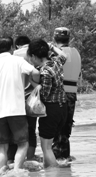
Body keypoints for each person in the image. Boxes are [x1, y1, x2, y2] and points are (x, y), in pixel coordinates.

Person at [0, 37, 40, 171]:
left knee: (2, 148)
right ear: (12, 48)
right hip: (16, 111)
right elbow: (35, 71)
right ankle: (17, 171)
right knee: (23, 143)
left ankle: (3, 171)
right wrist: (34, 84)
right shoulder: (18, 60)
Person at [27, 39, 68, 168]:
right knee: (48, 145)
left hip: (51, 110)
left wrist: (32, 83)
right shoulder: (56, 62)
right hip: (63, 108)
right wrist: (52, 46)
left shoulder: (45, 71)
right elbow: (63, 55)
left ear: (34, 56)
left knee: (46, 147)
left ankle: (53, 176)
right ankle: (50, 172)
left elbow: (44, 94)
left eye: (30, 57)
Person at [51, 27, 82, 160]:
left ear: (54, 38)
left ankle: (56, 162)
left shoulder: (55, 54)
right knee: (65, 132)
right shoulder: (76, 53)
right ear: (69, 39)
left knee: (56, 131)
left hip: (59, 95)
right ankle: (65, 159)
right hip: (72, 95)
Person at [7, 35, 38, 161]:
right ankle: (30, 157)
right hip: (31, 98)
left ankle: (13, 159)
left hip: (16, 98)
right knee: (31, 129)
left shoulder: (13, 55)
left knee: (15, 129)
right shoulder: (33, 53)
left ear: (17, 45)